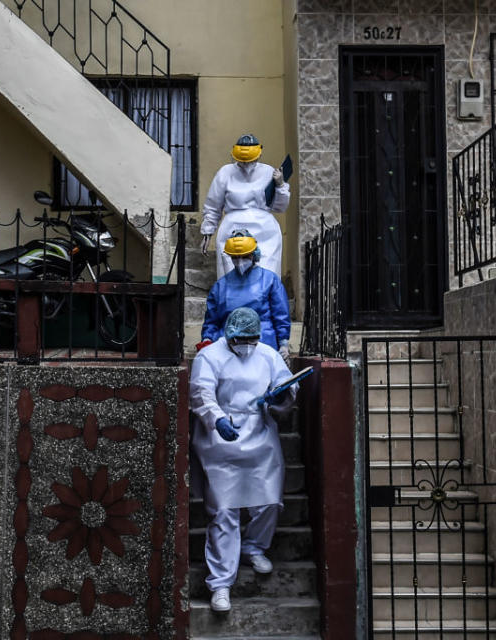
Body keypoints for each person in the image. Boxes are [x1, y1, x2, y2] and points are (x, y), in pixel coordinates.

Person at [189, 307, 298, 613]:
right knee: (224, 511)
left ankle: (254, 546)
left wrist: (282, 396)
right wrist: (217, 419)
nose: (247, 344)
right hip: (220, 440)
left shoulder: (267, 354)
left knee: (269, 500)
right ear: (229, 335)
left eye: (252, 338)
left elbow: (288, 385)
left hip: (260, 436)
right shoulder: (208, 357)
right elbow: (200, 393)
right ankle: (221, 583)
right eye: (242, 339)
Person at [201, 134, 290, 279]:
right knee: (232, 274)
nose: (246, 165)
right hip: (232, 229)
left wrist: (280, 185)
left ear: (259, 155)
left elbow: (280, 207)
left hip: (265, 231)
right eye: (243, 162)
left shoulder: (269, 172)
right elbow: (213, 205)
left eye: (250, 161)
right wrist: (207, 231)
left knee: (267, 274)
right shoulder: (225, 173)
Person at [198, 229, 291, 362]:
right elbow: (212, 320)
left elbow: (280, 314)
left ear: (254, 254)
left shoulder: (270, 280)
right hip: (228, 348)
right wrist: (207, 339)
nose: (240, 261)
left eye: (245, 256)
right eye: (235, 257)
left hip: (263, 345)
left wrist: (283, 343)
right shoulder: (220, 286)